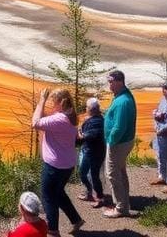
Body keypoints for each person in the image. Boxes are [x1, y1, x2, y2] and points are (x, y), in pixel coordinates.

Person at [32, 87, 83, 237]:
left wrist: (42, 100)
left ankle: (53, 231)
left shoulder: (59, 119)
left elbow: (35, 123)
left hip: (54, 165)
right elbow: (45, 121)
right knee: (58, 193)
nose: (52, 105)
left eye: (54, 101)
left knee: (48, 197)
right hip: (67, 164)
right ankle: (76, 220)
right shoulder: (71, 116)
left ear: (61, 102)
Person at [103, 69, 137, 218]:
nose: (109, 84)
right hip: (123, 141)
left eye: (111, 81)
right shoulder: (121, 96)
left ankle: (121, 208)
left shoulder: (123, 101)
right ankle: (124, 202)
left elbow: (119, 127)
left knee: (112, 173)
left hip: (119, 143)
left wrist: (111, 141)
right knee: (120, 172)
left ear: (119, 81)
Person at [77, 97, 106, 207]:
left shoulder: (97, 121)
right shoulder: (94, 118)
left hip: (95, 153)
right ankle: (90, 192)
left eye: (87, 107)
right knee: (82, 173)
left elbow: (89, 135)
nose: (85, 108)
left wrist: (80, 133)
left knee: (94, 175)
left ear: (91, 109)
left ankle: (100, 197)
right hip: (88, 151)